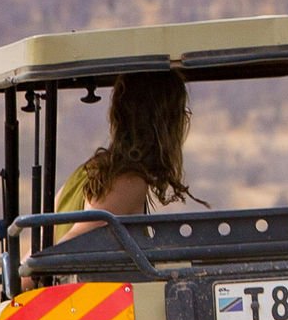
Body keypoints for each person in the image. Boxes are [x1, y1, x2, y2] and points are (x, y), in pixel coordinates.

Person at [58, 72, 194, 227]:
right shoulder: (128, 183)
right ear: (167, 124)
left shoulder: (83, 174)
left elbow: (41, 243)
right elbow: (72, 244)